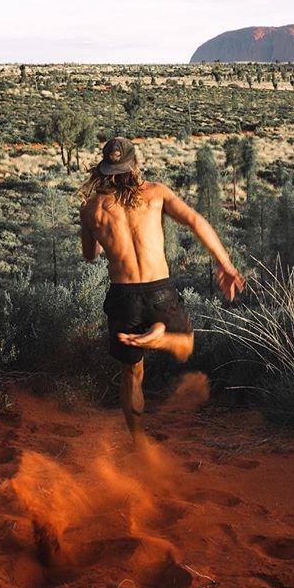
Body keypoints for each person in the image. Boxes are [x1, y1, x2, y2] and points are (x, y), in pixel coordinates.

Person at [79, 137, 244, 442]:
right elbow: (195, 221)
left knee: (131, 375)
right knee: (185, 344)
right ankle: (160, 338)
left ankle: (139, 443)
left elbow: (90, 256)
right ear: (134, 164)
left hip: (123, 296)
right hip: (159, 292)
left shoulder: (91, 208)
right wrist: (225, 265)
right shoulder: (155, 193)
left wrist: (101, 233)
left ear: (104, 169)